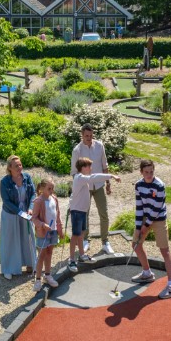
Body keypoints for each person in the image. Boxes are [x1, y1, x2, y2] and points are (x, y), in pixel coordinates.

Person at [130, 159, 171, 299]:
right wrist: (139, 227)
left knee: (165, 250)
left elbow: (157, 209)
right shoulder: (139, 185)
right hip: (145, 217)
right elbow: (139, 207)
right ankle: (147, 273)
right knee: (136, 245)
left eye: (151, 172)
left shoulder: (160, 185)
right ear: (141, 172)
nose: (149, 174)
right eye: (146, 172)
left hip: (159, 219)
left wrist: (146, 226)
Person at [68, 158, 120, 273]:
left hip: (82, 211)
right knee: (75, 236)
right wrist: (111, 176)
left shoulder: (83, 179)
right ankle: (71, 259)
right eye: (89, 166)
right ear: (83, 167)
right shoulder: (80, 177)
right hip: (77, 211)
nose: (91, 169)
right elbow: (94, 177)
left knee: (81, 234)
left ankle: (82, 255)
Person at [70, 124, 114, 255]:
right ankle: (85, 240)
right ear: (82, 135)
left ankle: (105, 241)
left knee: (104, 213)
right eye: (86, 136)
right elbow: (74, 172)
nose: (89, 138)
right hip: (85, 188)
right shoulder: (77, 150)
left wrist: (108, 184)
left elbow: (104, 165)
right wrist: (79, 186)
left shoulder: (99, 146)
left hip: (99, 185)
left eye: (91, 135)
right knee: (85, 214)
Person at [0, 155, 36, 280]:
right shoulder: (4, 182)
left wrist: (30, 208)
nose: (20, 167)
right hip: (10, 215)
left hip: (25, 213)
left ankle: (30, 264)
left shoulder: (27, 177)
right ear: (10, 168)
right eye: (16, 166)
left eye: (20, 165)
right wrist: (20, 212)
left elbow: (33, 194)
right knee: (10, 241)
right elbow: (6, 202)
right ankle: (8, 269)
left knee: (28, 238)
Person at [31, 178, 61, 291]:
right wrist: (43, 225)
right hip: (43, 233)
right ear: (42, 189)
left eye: (53, 188)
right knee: (41, 255)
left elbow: (57, 215)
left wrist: (60, 228)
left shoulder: (54, 199)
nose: (52, 190)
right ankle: (38, 279)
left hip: (53, 232)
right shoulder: (38, 201)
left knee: (49, 253)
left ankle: (47, 275)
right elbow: (34, 218)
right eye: (49, 188)